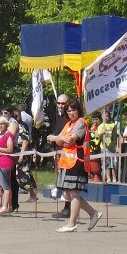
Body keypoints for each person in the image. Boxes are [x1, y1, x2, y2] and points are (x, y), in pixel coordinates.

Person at [46, 98, 99, 232]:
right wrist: (59, 139)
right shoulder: (69, 124)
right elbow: (57, 140)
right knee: (68, 195)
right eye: (68, 111)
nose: (71, 113)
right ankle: (93, 213)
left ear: (79, 110)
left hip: (77, 162)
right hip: (66, 163)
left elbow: (69, 141)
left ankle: (71, 224)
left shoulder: (81, 123)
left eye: (73, 110)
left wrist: (57, 139)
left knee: (73, 194)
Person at [0, 117, 16, 215]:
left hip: (5, 161)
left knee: (5, 185)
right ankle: (8, 206)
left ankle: (5, 206)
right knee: (4, 184)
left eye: (2, 124)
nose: (0, 126)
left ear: (6, 125)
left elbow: (10, 150)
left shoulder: (8, 135)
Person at [92, 108, 118, 184]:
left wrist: (116, 146)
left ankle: (114, 178)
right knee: (106, 163)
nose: (107, 117)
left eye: (108, 116)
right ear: (102, 117)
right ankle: (108, 177)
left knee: (113, 164)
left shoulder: (113, 125)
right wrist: (101, 135)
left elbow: (115, 136)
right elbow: (99, 135)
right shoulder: (101, 126)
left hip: (112, 147)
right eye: (106, 116)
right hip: (104, 147)